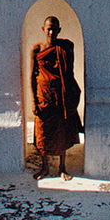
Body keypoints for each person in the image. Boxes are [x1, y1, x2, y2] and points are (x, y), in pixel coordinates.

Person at [30, 15, 82, 178]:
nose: (51, 32)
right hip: (43, 95)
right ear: (43, 29)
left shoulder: (66, 48)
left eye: (54, 29)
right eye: (49, 28)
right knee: (42, 131)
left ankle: (62, 167)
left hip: (61, 95)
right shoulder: (37, 49)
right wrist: (33, 100)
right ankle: (44, 167)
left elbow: (69, 72)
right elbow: (32, 76)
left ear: (59, 30)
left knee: (62, 130)